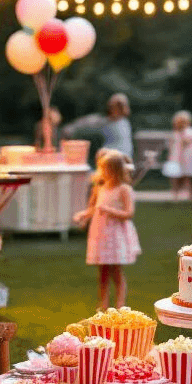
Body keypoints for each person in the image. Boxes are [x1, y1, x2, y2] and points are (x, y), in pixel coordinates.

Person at [74, 150, 140, 309]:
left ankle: (120, 304)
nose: (101, 172)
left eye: (105, 169)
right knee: (102, 271)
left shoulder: (124, 189)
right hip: (101, 233)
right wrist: (84, 215)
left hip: (115, 235)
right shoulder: (100, 188)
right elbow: (94, 208)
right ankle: (103, 303)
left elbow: (128, 214)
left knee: (116, 271)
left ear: (114, 170)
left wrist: (109, 210)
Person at [162, 110, 192, 200]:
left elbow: (187, 141)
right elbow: (171, 145)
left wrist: (181, 133)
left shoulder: (191, 131)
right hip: (177, 157)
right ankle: (175, 195)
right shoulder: (175, 133)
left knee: (188, 177)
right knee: (176, 178)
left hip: (188, 157)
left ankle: (191, 195)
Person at [101, 93, 134, 160]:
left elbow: (125, 146)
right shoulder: (105, 122)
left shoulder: (124, 123)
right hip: (109, 158)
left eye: (119, 107)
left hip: (122, 158)